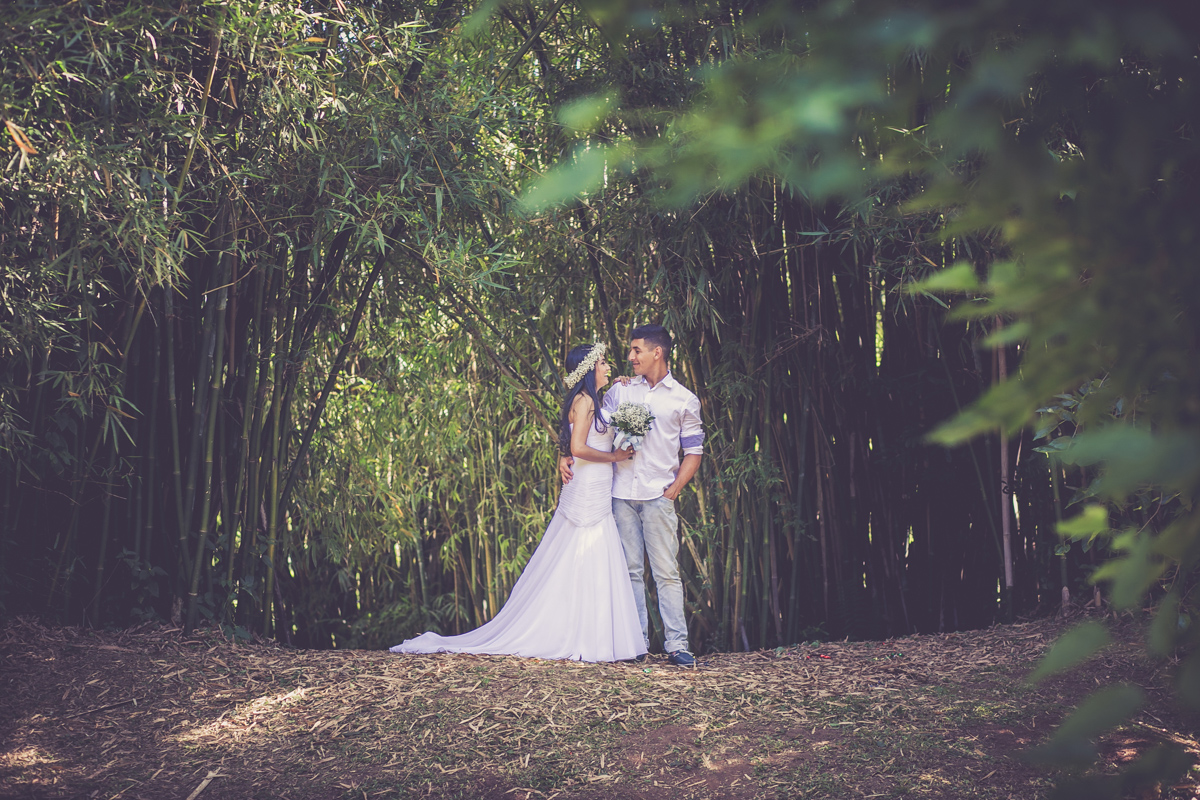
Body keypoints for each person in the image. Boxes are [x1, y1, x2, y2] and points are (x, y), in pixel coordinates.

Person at [389, 343, 645, 662]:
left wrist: (622, 387)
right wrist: (615, 457)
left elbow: (572, 443)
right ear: (588, 369)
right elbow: (578, 447)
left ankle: (589, 633)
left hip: (592, 484)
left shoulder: (589, 400)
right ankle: (582, 635)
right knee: (582, 549)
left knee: (582, 552)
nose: (608, 366)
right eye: (603, 363)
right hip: (589, 484)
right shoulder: (585, 402)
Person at [559, 324, 704, 667]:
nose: (630, 357)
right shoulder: (620, 391)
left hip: (658, 495)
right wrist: (564, 455)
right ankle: (636, 642)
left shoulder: (684, 399)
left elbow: (694, 452)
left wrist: (673, 490)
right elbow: (585, 424)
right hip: (619, 494)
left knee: (666, 572)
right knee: (629, 572)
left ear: (657, 352)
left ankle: (677, 645)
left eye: (636, 350)